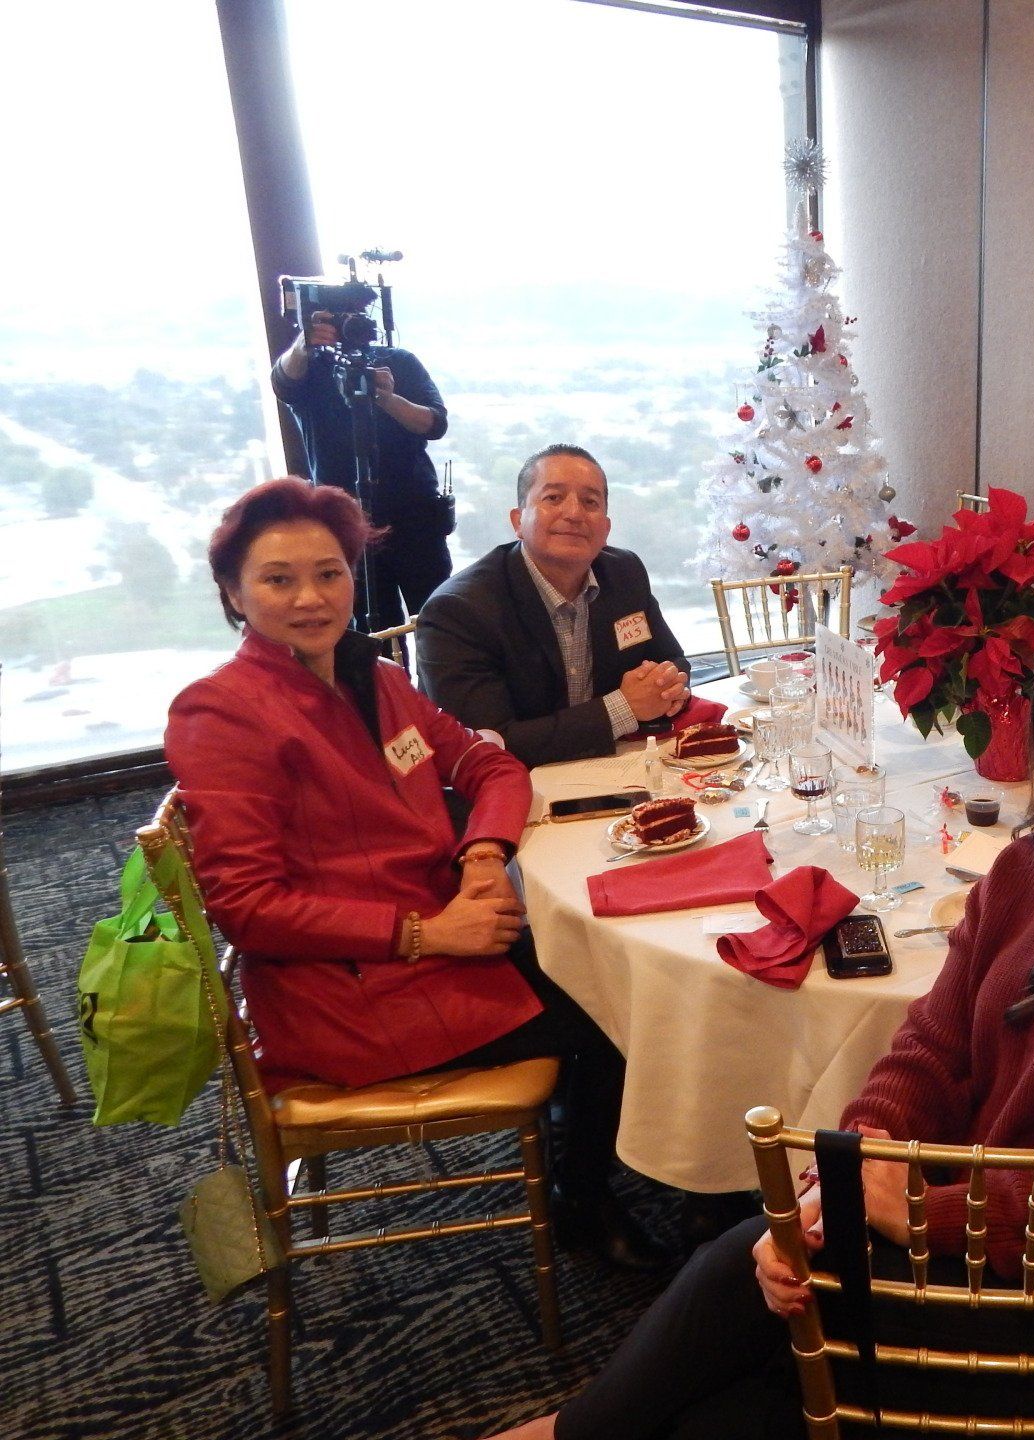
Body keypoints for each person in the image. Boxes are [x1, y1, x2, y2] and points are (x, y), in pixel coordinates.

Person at [490, 585, 1034, 1440]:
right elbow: (930, 1048)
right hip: (999, 1240)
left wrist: (917, 1213)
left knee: (729, 1333)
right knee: (739, 1339)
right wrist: (841, 1187)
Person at [165, 478, 662, 1270]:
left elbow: (492, 767)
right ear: (233, 592)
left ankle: (608, 1147)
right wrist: (426, 932)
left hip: (443, 934)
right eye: (278, 579)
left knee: (612, 955)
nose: (311, 598)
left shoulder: (373, 679)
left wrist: (483, 855)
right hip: (350, 991)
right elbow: (247, 908)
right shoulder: (223, 713)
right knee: (620, 1006)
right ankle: (583, 1198)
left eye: (329, 573)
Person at [417, 443, 693, 768]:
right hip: (514, 784)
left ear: (606, 527)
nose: (574, 513)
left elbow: (673, 661)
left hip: (615, 767)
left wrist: (665, 684)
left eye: (590, 502)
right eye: (553, 498)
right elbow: (483, 746)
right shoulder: (459, 610)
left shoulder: (624, 572)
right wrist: (625, 708)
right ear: (518, 521)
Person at [271, 306, 452, 633]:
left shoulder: (399, 361)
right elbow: (282, 382)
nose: (348, 326)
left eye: (354, 317)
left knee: (440, 622)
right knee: (371, 632)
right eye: (338, 319)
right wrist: (304, 342)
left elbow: (435, 423)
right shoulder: (312, 369)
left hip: (415, 518)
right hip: (348, 522)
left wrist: (386, 398)